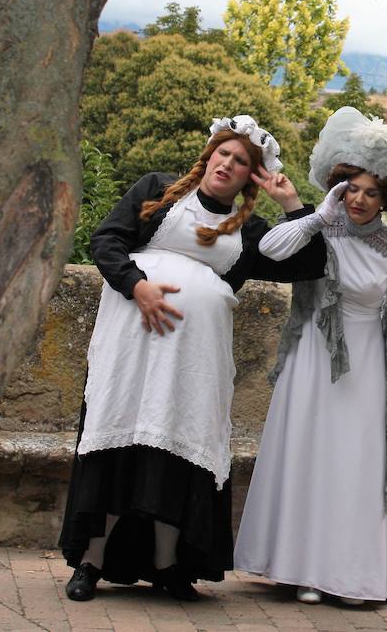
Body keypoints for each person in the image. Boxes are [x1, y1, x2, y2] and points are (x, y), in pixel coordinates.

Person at [58, 114, 326, 602]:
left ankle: (169, 566)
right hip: (131, 352)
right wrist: (138, 287)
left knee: (176, 456)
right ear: (209, 155)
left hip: (191, 365)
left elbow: (309, 266)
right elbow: (106, 241)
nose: (228, 163)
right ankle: (90, 563)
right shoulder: (158, 190)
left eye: (241, 161)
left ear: (251, 177)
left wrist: (292, 204)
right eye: (224, 153)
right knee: (116, 450)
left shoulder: (252, 233)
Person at [234, 107, 387, 605]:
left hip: (366, 366)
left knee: (352, 461)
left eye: (372, 193)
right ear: (339, 189)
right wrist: (317, 217)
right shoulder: (321, 228)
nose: (361, 200)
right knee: (308, 452)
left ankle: (348, 573)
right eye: (353, 190)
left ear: (386, 198)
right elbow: (271, 248)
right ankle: (298, 568)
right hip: (311, 353)